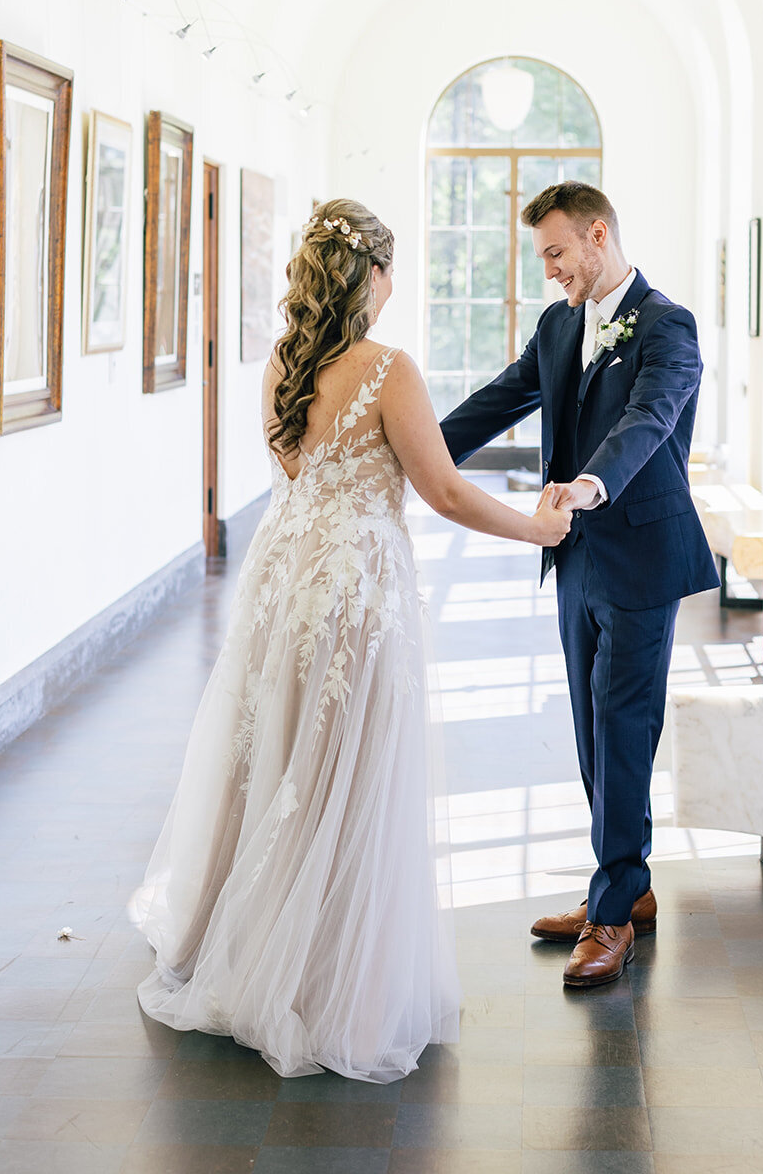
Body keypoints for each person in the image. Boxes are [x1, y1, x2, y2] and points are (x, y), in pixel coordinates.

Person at [131, 198, 571, 1082]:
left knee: (282, 758)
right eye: (390, 269)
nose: (394, 285)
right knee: (349, 768)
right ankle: (327, 974)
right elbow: (441, 491)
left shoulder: (282, 366)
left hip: (285, 578)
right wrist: (535, 530)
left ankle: (247, 942)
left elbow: (303, 475)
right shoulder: (387, 368)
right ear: (368, 275)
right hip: (357, 589)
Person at [441, 182, 718, 990]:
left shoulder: (668, 325)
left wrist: (591, 484)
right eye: (543, 257)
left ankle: (610, 917)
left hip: (639, 548)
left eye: (557, 252)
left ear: (598, 234)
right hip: (572, 552)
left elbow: (650, 416)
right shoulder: (558, 324)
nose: (550, 270)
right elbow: (500, 398)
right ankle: (625, 888)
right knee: (591, 728)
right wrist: (408, 450)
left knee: (624, 723)